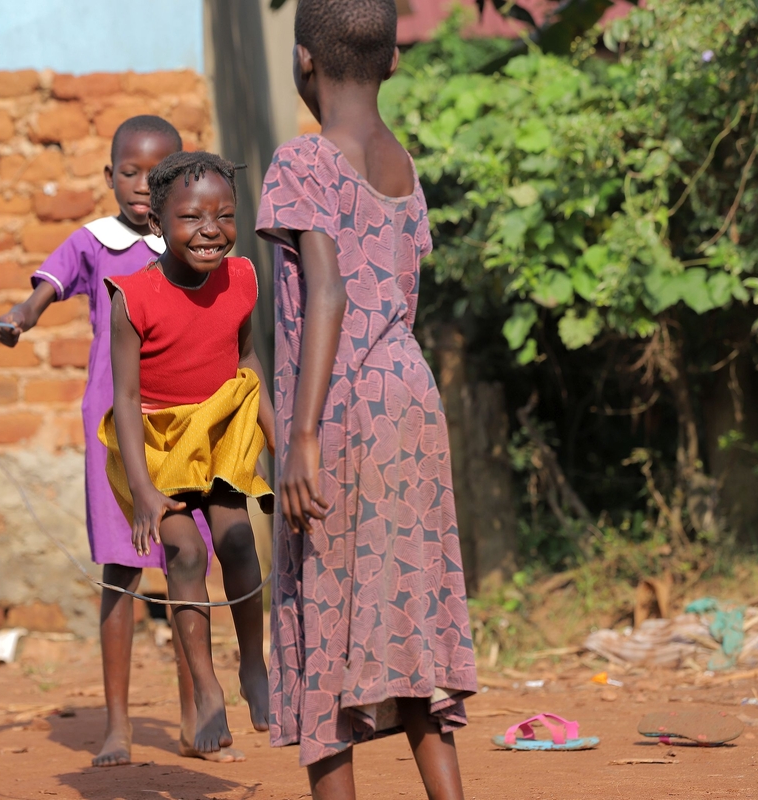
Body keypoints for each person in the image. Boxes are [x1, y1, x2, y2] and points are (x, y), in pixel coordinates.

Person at [255, 2, 478, 799]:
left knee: (325, 613)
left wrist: (302, 434)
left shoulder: (303, 163)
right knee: (410, 610)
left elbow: (326, 296)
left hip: (342, 405)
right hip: (410, 401)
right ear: (392, 62)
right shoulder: (402, 165)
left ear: (304, 61)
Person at [0, 117, 235, 766]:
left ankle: (197, 717)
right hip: (116, 431)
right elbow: (46, 287)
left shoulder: (191, 247)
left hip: (183, 431)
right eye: (128, 172)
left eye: (154, 176)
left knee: (191, 569)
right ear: (110, 177)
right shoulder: (96, 243)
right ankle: (118, 727)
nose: (139, 186)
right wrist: (22, 315)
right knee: (122, 573)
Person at [100, 151, 274, 755]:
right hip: (156, 442)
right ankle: (206, 688)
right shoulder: (133, 297)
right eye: (191, 218)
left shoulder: (244, 278)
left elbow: (247, 360)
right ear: (156, 224)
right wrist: (145, 490)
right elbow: (122, 396)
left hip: (219, 430)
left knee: (237, 540)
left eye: (224, 216)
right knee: (186, 551)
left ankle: (254, 666)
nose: (210, 230)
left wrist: (276, 437)